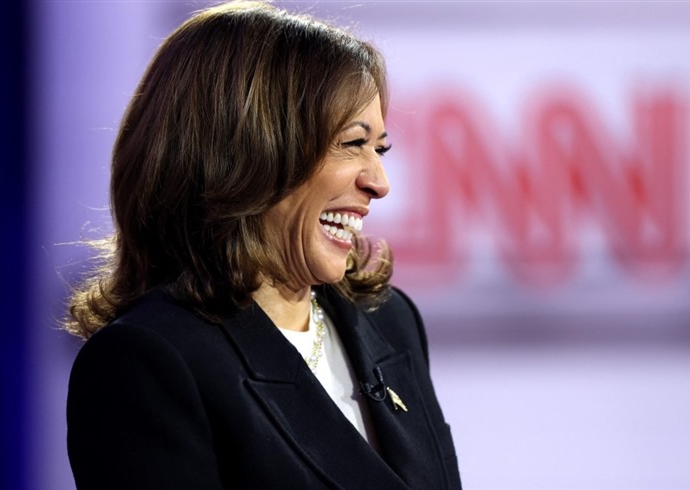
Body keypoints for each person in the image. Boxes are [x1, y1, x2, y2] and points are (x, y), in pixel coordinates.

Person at [64, 2, 461, 489]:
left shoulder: (390, 321)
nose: (379, 183)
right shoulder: (148, 362)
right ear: (246, 152)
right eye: (351, 143)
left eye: (379, 148)